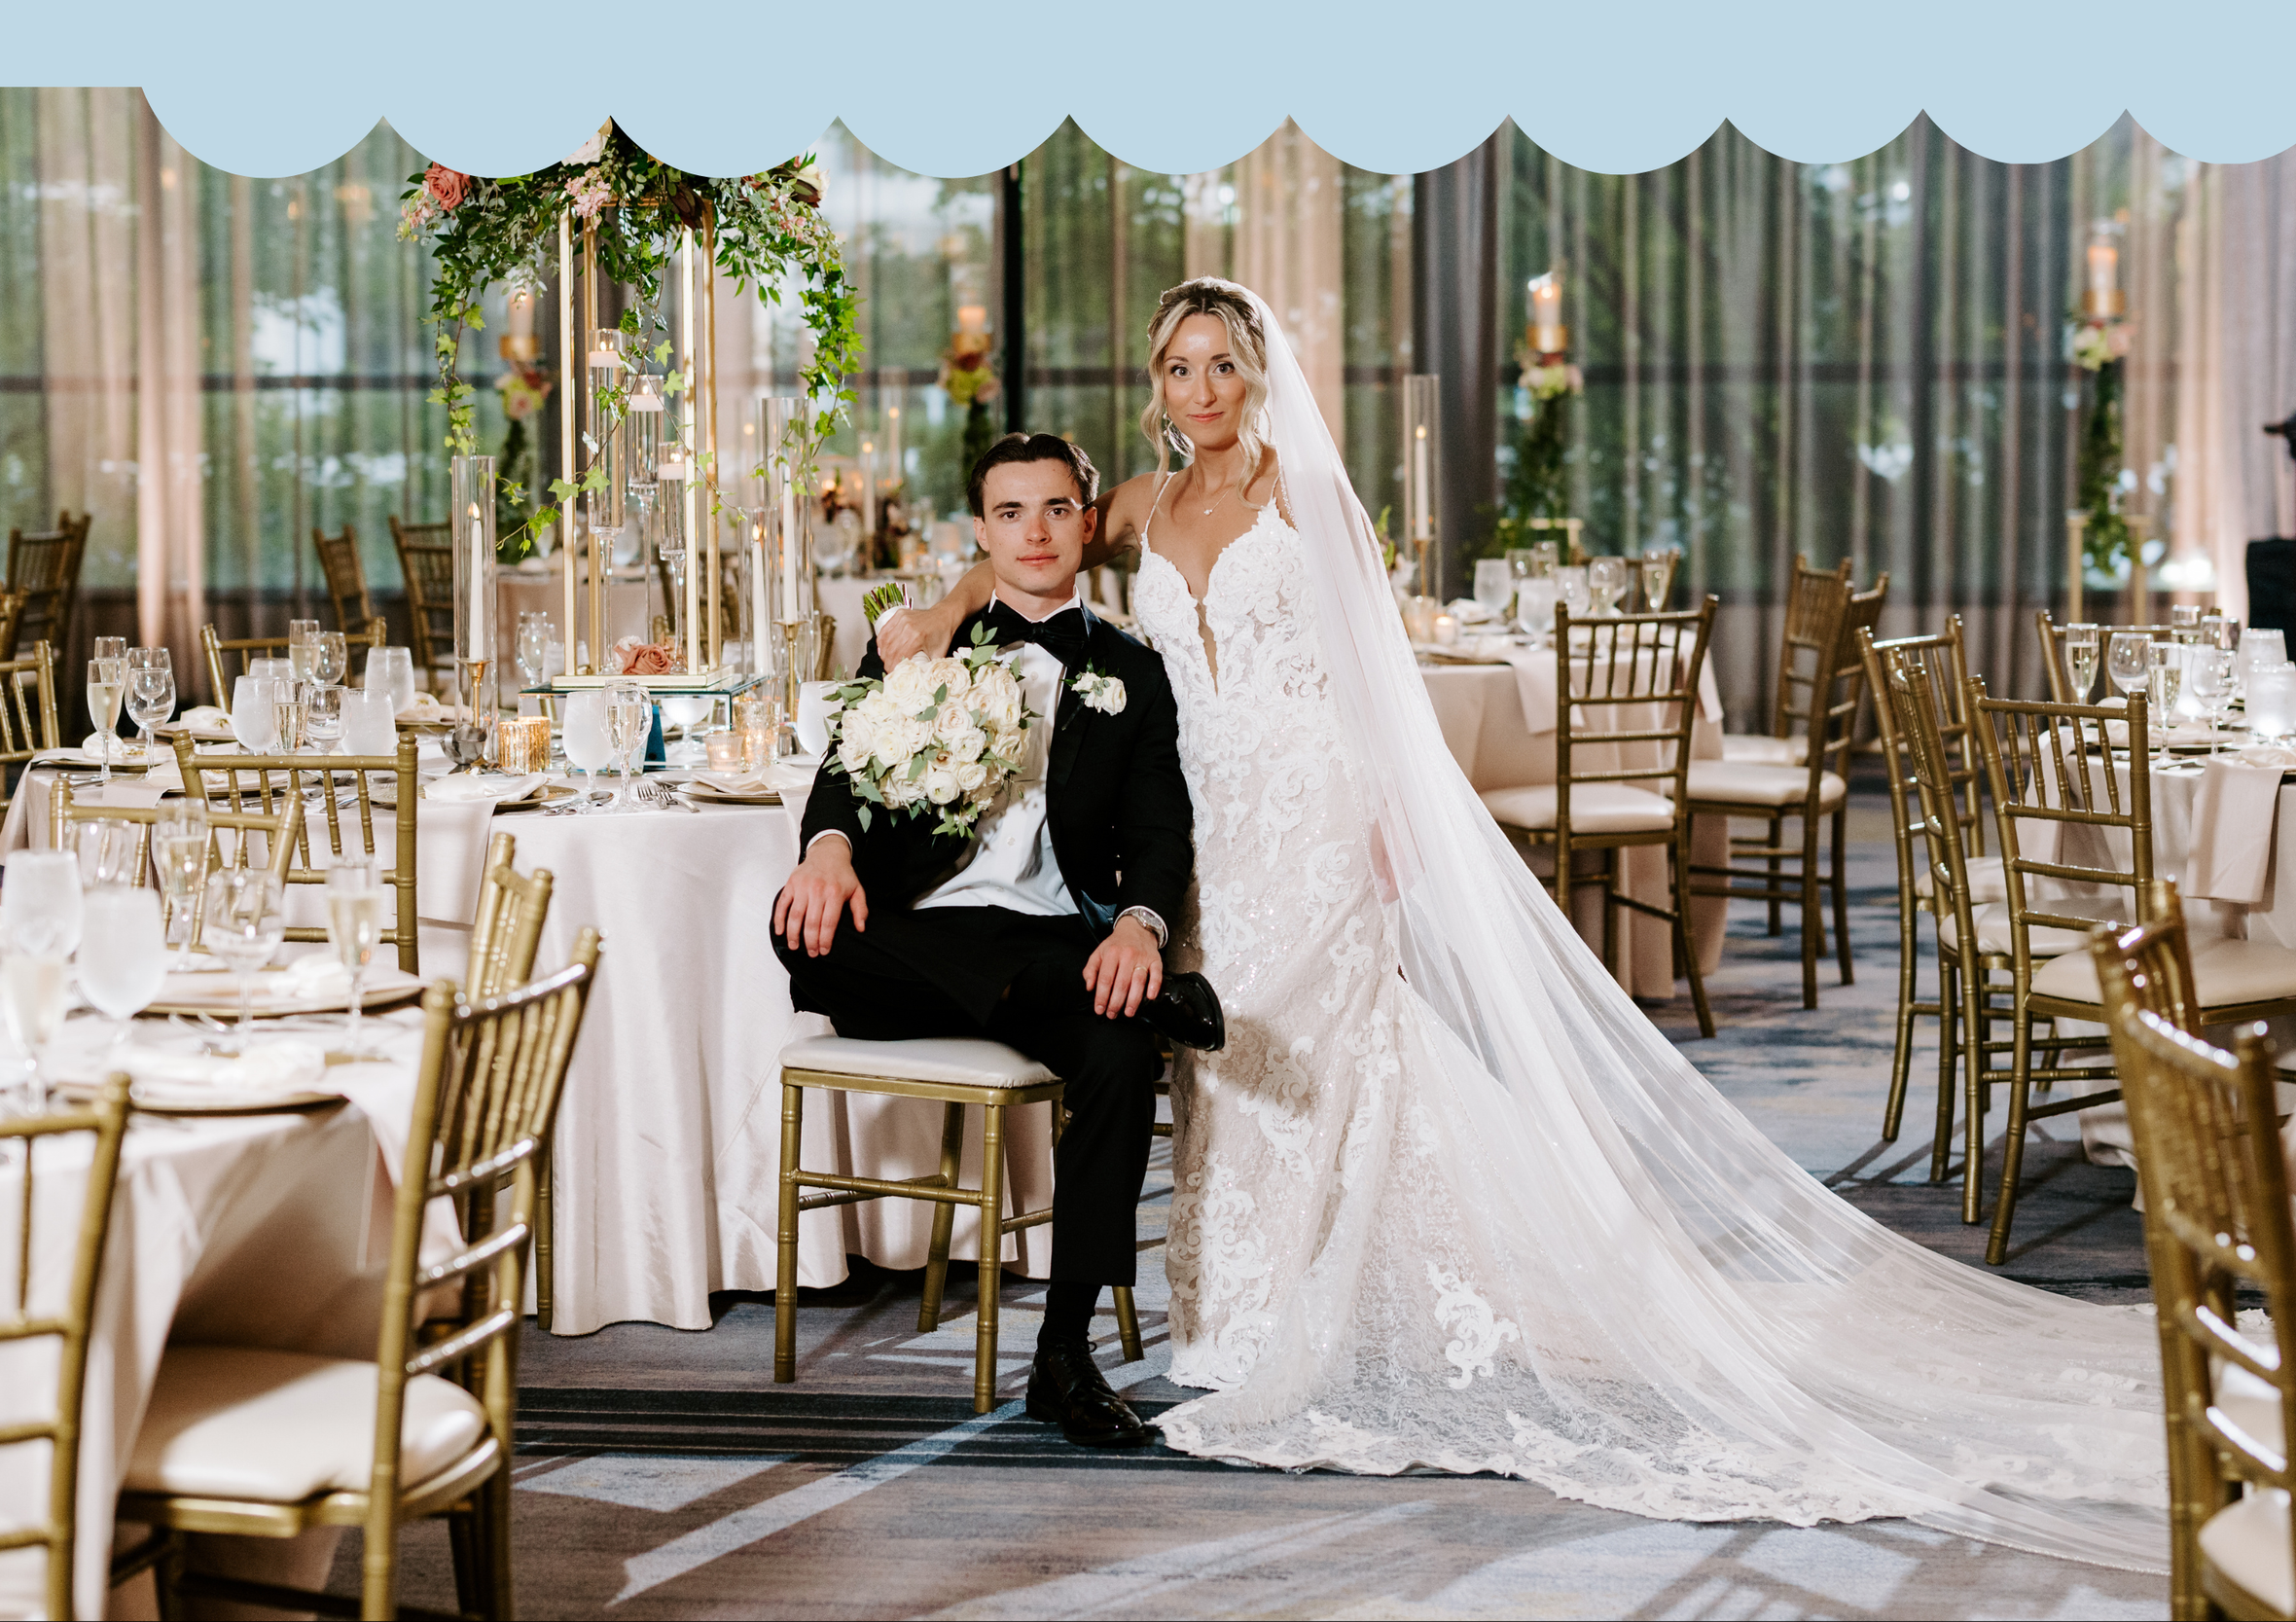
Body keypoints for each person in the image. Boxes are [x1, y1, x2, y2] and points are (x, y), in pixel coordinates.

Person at [877, 279, 2169, 1569]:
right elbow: (1018, 552)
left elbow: (1370, 661)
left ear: (1261, 372)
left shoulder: (1305, 494)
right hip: (1197, 825)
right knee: (1216, 1067)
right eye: (1177, 369)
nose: (1199, 389)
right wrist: (935, 612)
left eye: (1220, 363)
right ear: (1153, 387)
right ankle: (1228, 1320)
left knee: (1312, 1047)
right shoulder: (1141, 508)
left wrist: (1387, 806)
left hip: (1314, 809)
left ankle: (1293, 1330)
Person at [772, 431, 1223, 1450]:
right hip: (907, 939)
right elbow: (841, 773)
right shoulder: (916, 639)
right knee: (803, 933)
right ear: (980, 531)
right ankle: (1110, 992)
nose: (1034, 531)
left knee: (1113, 1048)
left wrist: (1144, 927)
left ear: (1087, 523)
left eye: (1056, 509)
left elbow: (1160, 829)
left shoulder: (1130, 672)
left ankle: (1062, 1357)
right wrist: (831, 848)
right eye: (1010, 513)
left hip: (1047, 931)